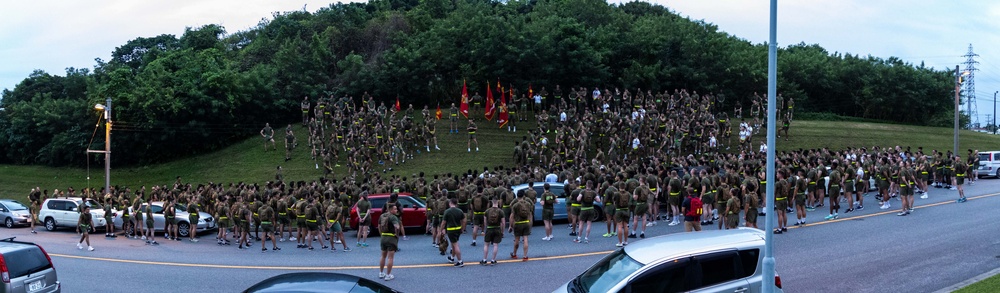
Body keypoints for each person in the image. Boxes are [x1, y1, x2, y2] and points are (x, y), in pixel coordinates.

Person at [378, 204, 401, 281]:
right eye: (395, 209)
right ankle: (388, 275)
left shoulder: (382, 216)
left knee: (383, 256)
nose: (396, 210)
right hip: (391, 238)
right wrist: (397, 235)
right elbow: (397, 227)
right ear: (391, 210)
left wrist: (381, 234)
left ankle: (381, 273)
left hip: (383, 237)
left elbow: (379, 226)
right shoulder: (393, 217)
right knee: (390, 258)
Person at [481, 198, 504, 266]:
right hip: (497, 228)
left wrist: (486, 228)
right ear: (498, 202)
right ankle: (493, 260)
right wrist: (502, 231)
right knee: (495, 245)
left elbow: (485, 221)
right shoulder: (500, 211)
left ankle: (484, 260)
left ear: (492, 202)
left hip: (489, 228)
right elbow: (503, 222)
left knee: (486, 244)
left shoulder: (487, 211)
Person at [444, 198, 466, 267]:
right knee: (453, 243)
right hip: (458, 229)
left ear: (450, 203)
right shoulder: (460, 211)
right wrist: (462, 228)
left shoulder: (447, 211)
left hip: (451, 230)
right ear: (456, 204)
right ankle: (452, 258)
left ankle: (460, 261)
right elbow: (464, 221)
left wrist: (441, 229)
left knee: (455, 244)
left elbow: (443, 222)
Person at [509, 196, 532, 261]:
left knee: (517, 239)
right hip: (526, 223)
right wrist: (530, 223)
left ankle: (514, 254)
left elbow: (512, 216)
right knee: (525, 239)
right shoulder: (528, 204)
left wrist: (510, 225)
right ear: (524, 196)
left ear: (517, 196)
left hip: (518, 223)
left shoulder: (515, 205)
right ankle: (525, 256)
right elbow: (530, 214)